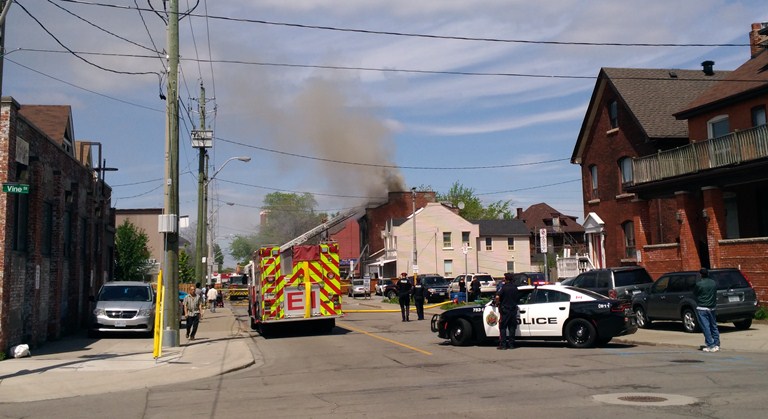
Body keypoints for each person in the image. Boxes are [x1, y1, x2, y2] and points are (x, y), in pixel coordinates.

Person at [694, 268, 720, 352]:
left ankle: (710, 345)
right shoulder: (713, 283)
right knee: (714, 326)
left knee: (706, 327)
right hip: (712, 307)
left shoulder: (699, 284)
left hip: (702, 307)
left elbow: (695, 293)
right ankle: (716, 343)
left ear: (701, 275)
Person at [495, 272, 520, 350]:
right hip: (513, 309)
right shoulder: (515, 287)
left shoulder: (504, 287)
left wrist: (497, 303)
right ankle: (511, 344)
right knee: (512, 327)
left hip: (505, 310)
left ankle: (503, 345)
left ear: (506, 279)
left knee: (502, 327)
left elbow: (497, 296)